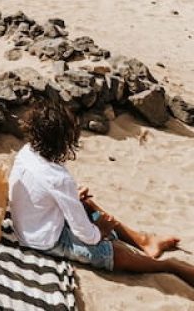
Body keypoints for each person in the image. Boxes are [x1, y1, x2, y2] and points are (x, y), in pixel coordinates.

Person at [10, 97, 194, 290]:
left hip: (30, 221)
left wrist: (76, 201)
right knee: (110, 252)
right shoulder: (58, 178)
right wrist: (101, 230)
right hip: (43, 238)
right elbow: (85, 234)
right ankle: (170, 266)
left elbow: (43, 188)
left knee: (86, 204)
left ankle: (142, 240)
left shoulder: (26, 152)